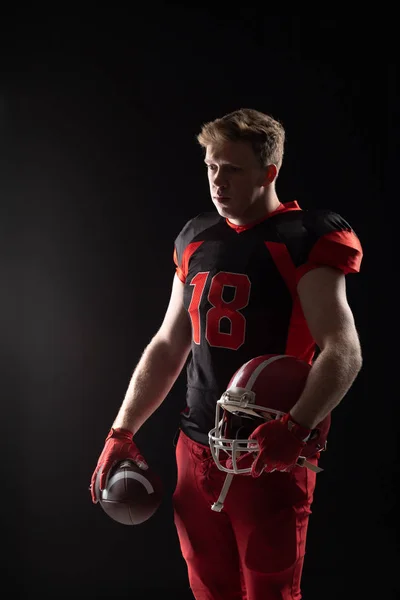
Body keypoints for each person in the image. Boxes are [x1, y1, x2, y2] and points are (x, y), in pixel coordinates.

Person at [90, 108, 363, 599]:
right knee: (209, 590)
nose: (217, 181)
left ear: (269, 172)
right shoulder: (197, 237)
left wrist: (296, 427)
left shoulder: (304, 239)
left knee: (270, 593)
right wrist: (122, 428)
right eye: (211, 166)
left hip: (268, 450)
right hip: (195, 448)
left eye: (232, 169)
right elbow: (169, 343)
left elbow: (344, 352)